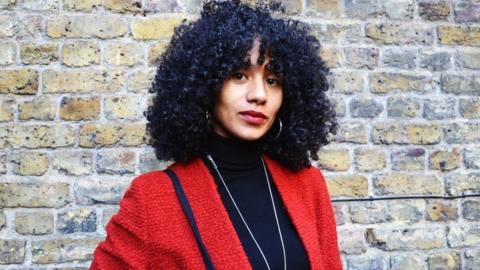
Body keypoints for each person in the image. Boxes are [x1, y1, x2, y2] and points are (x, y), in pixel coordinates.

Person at [90, 0, 342, 269]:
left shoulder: (308, 185)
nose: (259, 95)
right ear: (206, 84)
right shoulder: (152, 200)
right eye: (239, 75)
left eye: (272, 80)